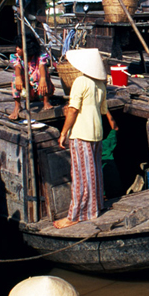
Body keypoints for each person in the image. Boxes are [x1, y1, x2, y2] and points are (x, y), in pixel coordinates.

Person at [54, 49, 117, 229]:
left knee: (81, 175)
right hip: (96, 132)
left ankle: (75, 215)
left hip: (82, 133)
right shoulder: (100, 84)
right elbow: (104, 110)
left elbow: (73, 110)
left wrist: (63, 132)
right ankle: (93, 209)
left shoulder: (80, 81)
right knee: (94, 172)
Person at [9, 32, 54, 120]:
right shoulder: (16, 57)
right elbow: (17, 66)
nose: (17, 49)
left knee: (42, 73)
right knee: (15, 76)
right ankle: (17, 106)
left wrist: (43, 79)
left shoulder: (40, 56)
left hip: (41, 90)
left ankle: (46, 102)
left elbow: (42, 66)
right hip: (27, 92)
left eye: (19, 47)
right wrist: (18, 78)